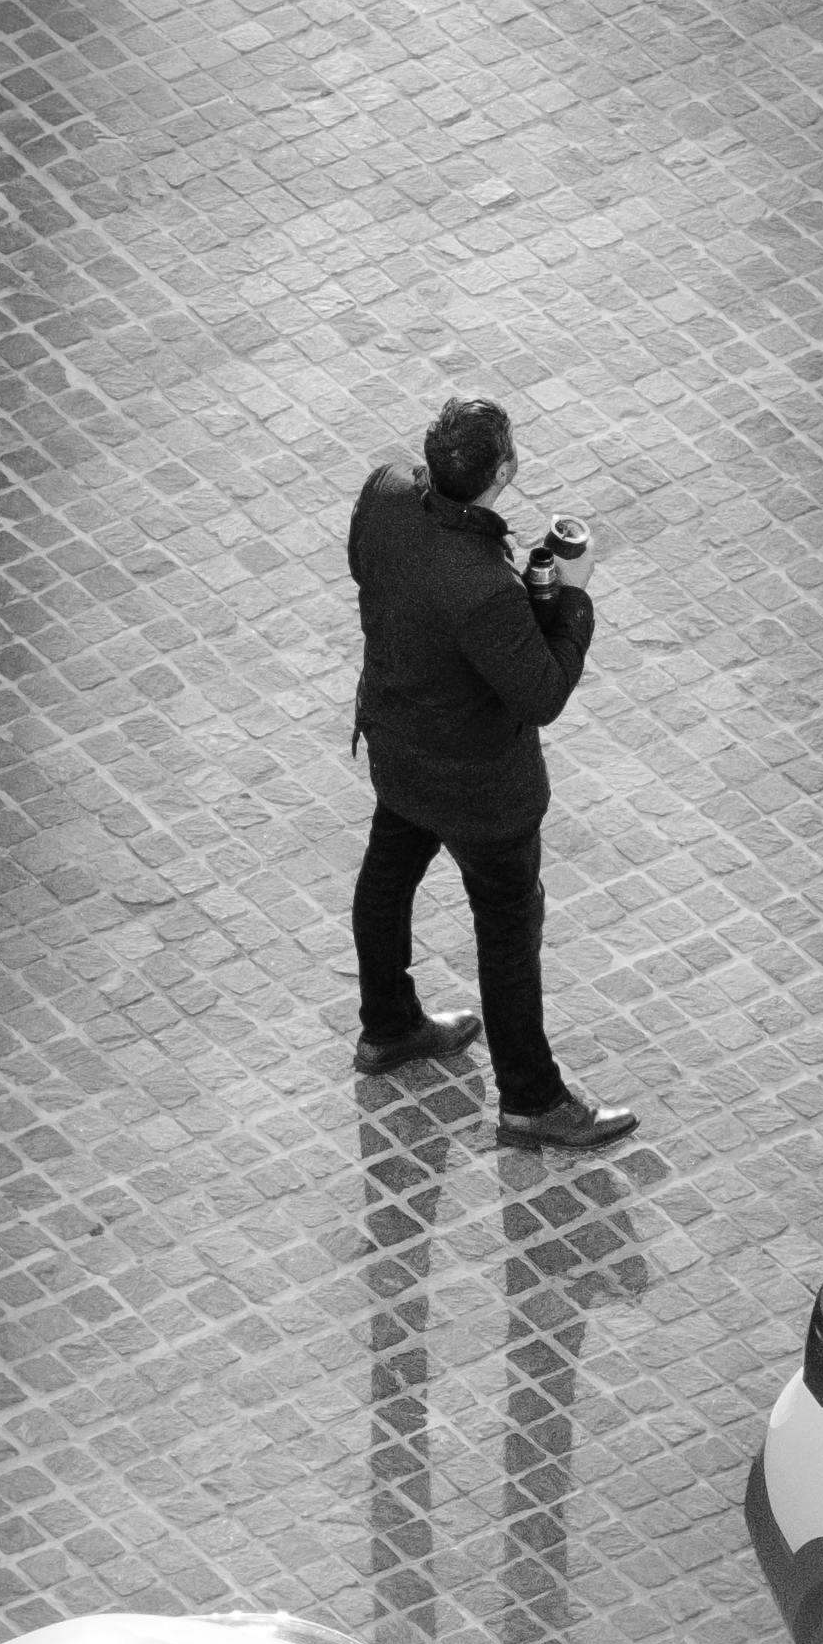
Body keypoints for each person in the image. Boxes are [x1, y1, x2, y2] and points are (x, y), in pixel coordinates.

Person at [345, 396, 639, 1151]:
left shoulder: (382, 495)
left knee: (387, 875)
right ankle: (530, 1098)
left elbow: (371, 577)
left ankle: (387, 1026)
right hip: (480, 790)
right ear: (503, 470)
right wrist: (571, 595)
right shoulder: (482, 589)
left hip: (398, 748)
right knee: (506, 928)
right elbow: (541, 694)